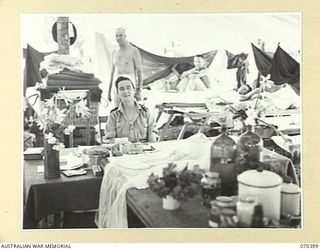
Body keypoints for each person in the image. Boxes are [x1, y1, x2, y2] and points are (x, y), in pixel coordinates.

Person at [105, 76, 157, 143]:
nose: (125, 91)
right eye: (122, 89)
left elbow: (152, 135)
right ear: (118, 93)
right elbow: (110, 140)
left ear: (134, 90)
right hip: (123, 151)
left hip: (144, 150)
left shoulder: (145, 113)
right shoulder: (113, 115)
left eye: (128, 88)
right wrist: (126, 143)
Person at [107, 27, 143, 106]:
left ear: (125, 36)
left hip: (129, 84)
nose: (118, 38)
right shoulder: (114, 52)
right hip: (117, 84)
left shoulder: (133, 51)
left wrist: (139, 90)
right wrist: (109, 91)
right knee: (118, 110)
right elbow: (112, 73)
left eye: (120, 35)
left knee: (130, 110)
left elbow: (139, 71)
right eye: (116, 36)